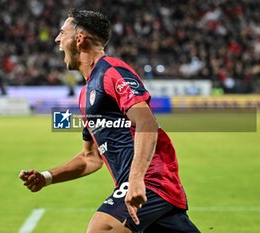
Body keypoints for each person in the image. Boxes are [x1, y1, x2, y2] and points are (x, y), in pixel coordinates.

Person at [19, 9, 200, 233]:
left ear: (79, 39)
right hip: (143, 187)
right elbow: (90, 157)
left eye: (62, 33)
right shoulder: (86, 94)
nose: (57, 39)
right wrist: (47, 177)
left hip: (151, 181)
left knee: (101, 229)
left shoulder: (112, 72)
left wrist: (135, 179)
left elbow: (147, 123)